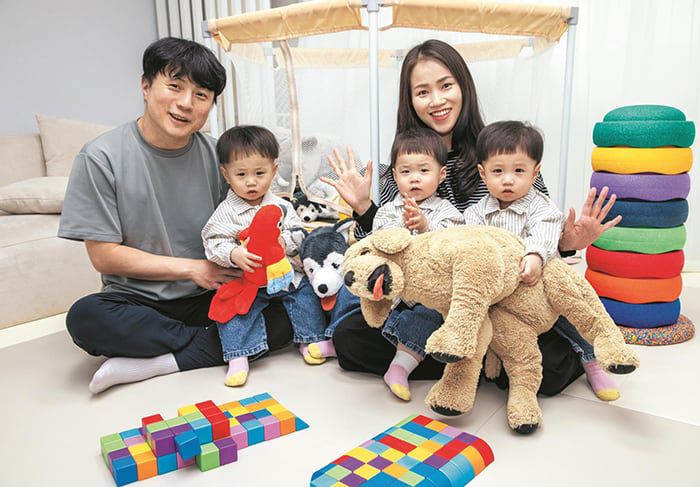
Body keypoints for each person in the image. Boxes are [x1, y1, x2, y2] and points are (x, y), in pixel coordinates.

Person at [322, 39, 621, 396]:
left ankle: (469, 359)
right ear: (410, 100)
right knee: (350, 340)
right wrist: (364, 208)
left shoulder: (502, 152)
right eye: (423, 92)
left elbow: (537, 231)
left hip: (504, 297)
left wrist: (567, 243)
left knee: (551, 368)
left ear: (463, 86)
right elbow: (385, 250)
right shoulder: (399, 168)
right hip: (431, 302)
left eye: (446, 85)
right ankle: (472, 360)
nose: (437, 100)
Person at [59, 37, 294, 394]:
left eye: (201, 95)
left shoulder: (221, 157)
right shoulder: (100, 157)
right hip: (139, 299)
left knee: (290, 313)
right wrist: (193, 268)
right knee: (86, 318)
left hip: (213, 293)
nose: (186, 103)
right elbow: (103, 256)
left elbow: (255, 218)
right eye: (175, 86)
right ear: (145, 86)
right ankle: (225, 343)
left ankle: (161, 362)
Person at [465, 120, 620, 400]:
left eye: (519, 171)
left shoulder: (541, 207)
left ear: (535, 172)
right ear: (482, 173)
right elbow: (472, 243)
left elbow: (545, 234)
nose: (508, 180)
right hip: (501, 292)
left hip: (537, 283)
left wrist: (535, 256)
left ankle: (592, 362)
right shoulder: (475, 213)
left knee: (570, 314)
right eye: (498, 171)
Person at [202, 125, 330, 387]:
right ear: (226, 174)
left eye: (259, 173)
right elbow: (213, 241)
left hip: (284, 275)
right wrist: (234, 253)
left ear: (273, 170)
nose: (251, 182)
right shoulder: (226, 212)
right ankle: (238, 356)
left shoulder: (282, 206)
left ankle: (311, 340)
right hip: (249, 281)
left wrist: (285, 241)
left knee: (306, 294)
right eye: (241, 174)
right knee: (232, 309)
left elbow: (299, 233)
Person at [370, 127, 463, 401]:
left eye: (424, 170)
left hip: (428, 295)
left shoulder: (448, 211)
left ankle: (399, 367)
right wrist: (401, 227)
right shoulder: (387, 210)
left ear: (441, 174)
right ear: (394, 175)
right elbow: (380, 242)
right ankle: (329, 338)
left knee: (429, 316)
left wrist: (425, 226)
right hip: (393, 292)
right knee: (356, 299)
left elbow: (452, 245)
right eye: (406, 171)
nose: (414, 178)